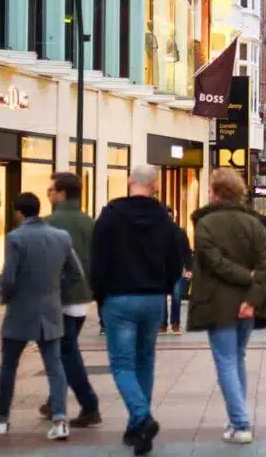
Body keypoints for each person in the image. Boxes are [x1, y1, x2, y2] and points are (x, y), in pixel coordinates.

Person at [92, 166, 182, 455]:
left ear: (130, 181)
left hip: (119, 297)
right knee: (145, 361)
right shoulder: (164, 219)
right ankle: (137, 429)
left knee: (122, 364)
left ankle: (142, 417)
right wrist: (165, 287)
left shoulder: (110, 215)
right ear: (156, 186)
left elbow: (97, 259)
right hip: (153, 298)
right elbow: (176, 260)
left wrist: (100, 296)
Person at [0, 193, 83, 441]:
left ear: (18, 212)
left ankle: (1, 418)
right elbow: (76, 273)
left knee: (8, 365)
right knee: (55, 366)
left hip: (20, 310)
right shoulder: (61, 236)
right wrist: (55, 290)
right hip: (51, 310)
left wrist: (7, 298)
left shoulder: (16, 237)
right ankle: (60, 420)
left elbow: (8, 278)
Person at [187, 168, 266, 445]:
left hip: (218, 303)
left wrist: (245, 277)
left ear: (216, 193)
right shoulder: (255, 224)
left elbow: (214, 262)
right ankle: (236, 417)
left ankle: (240, 423)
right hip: (248, 304)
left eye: (210, 189)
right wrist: (253, 298)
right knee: (237, 358)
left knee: (226, 361)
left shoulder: (205, 224)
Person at [40, 173, 100, 427]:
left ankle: (89, 404)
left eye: (51, 190)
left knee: (65, 352)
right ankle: (54, 400)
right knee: (65, 349)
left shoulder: (47, 224)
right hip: (83, 298)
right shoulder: (91, 223)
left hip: (57, 298)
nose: (49, 194)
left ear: (62, 194)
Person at [162, 207, 194, 335]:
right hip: (161, 270)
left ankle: (175, 324)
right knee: (161, 298)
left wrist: (189, 268)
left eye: (170, 217)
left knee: (176, 296)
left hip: (176, 269)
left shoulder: (180, 232)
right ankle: (162, 324)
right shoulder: (157, 231)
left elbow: (187, 251)